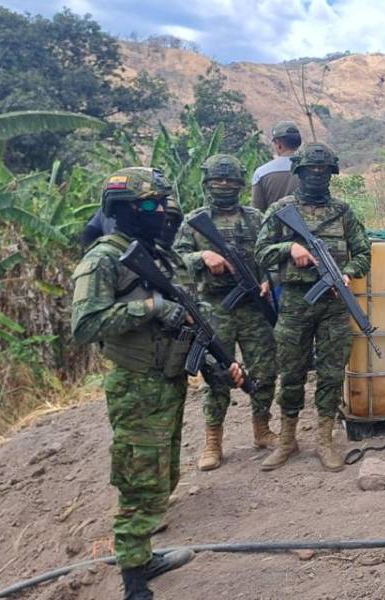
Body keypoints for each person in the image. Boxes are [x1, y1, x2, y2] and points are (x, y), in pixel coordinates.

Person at [70, 167, 243, 600]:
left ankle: (143, 554)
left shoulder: (158, 255)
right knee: (139, 479)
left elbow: (187, 318)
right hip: (136, 385)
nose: (160, 211)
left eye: (162, 203)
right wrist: (148, 307)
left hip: (167, 382)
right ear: (124, 209)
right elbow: (85, 325)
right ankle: (133, 581)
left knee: (163, 477)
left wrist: (221, 365)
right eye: (150, 205)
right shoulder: (104, 258)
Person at [255, 142, 371, 472]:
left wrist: (347, 273)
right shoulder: (281, 209)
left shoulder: (343, 212)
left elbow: (363, 254)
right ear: (299, 173)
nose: (317, 176)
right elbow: (260, 252)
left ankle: (324, 440)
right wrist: (289, 248)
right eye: (311, 171)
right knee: (290, 371)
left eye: (323, 172)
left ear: (331, 174)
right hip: (294, 303)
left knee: (332, 373)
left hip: (333, 304)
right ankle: (287, 440)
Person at [173, 154, 278, 471]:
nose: (224, 186)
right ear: (207, 183)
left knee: (265, 369)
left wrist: (266, 279)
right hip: (214, 307)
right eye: (218, 181)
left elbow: (268, 253)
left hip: (254, 308)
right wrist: (202, 256)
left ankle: (262, 429)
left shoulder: (255, 218)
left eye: (231, 181)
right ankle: (213, 441)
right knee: (217, 374)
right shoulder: (194, 221)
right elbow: (174, 263)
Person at [251, 121, 302, 213]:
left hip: (273, 226)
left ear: (278, 144)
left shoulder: (261, 173)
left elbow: (257, 212)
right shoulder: (311, 169)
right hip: (307, 226)